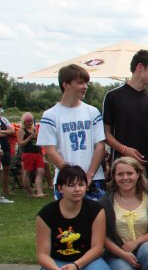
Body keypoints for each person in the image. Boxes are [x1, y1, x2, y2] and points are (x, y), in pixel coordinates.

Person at [35, 164, 113, 270]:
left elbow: (98, 248)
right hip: (58, 263)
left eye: (81, 184)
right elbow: (42, 254)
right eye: (71, 185)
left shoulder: (95, 209)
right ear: (60, 188)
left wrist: (75, 266)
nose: (77, 189)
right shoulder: (46, 214)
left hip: (87, 261)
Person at [37, 64, 106, 200]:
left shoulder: (92, 112)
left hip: (94, 178)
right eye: (80, 83)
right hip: (66, 180)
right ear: (65, 85)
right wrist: (74, 178)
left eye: (86, 83)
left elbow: (100, 145)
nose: (85, 86)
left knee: (97, 213)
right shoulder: (50, 115)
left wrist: (90, 175)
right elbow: (51, 151)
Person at [102, 49, 148, 191]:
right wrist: (125, 150)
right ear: (140, 67)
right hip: (123, 167)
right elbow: (106, 134)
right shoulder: (113, 96)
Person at [17, 112, 46, 198]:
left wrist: (37, 137)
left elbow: (38, 141)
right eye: (28, 121)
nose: (30, 123)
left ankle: (40, 192)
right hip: (28, 153)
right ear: (24, 122)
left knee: (40, 171)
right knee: (27, 172)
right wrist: (29, 138)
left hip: (37, 152)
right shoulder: (22, 130)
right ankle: (29, 191)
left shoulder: (34, 129)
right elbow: (20, 143)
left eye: (31, 121)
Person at [0, 103, 15, 201]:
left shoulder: (4, 120)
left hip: (6, 147)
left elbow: (12, 131)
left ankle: (5, 190)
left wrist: (3, 132)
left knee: (6, 169)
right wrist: (6, 133)